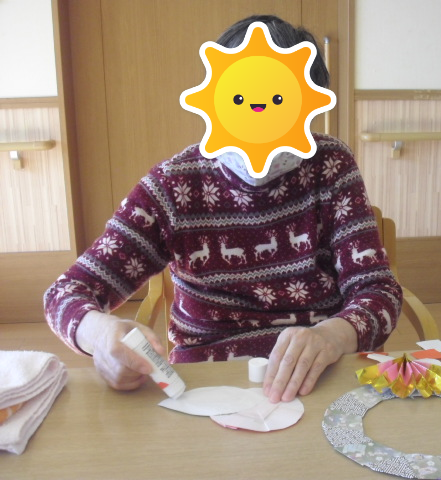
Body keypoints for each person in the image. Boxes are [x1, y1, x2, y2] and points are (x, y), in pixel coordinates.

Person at [44, 15, 402, 404]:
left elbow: (377, 290)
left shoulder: (331, 164)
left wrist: (333, 335)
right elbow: (65, 293)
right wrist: (101, 336)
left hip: (319, 372)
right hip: (204, 382)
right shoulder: (174, 186)